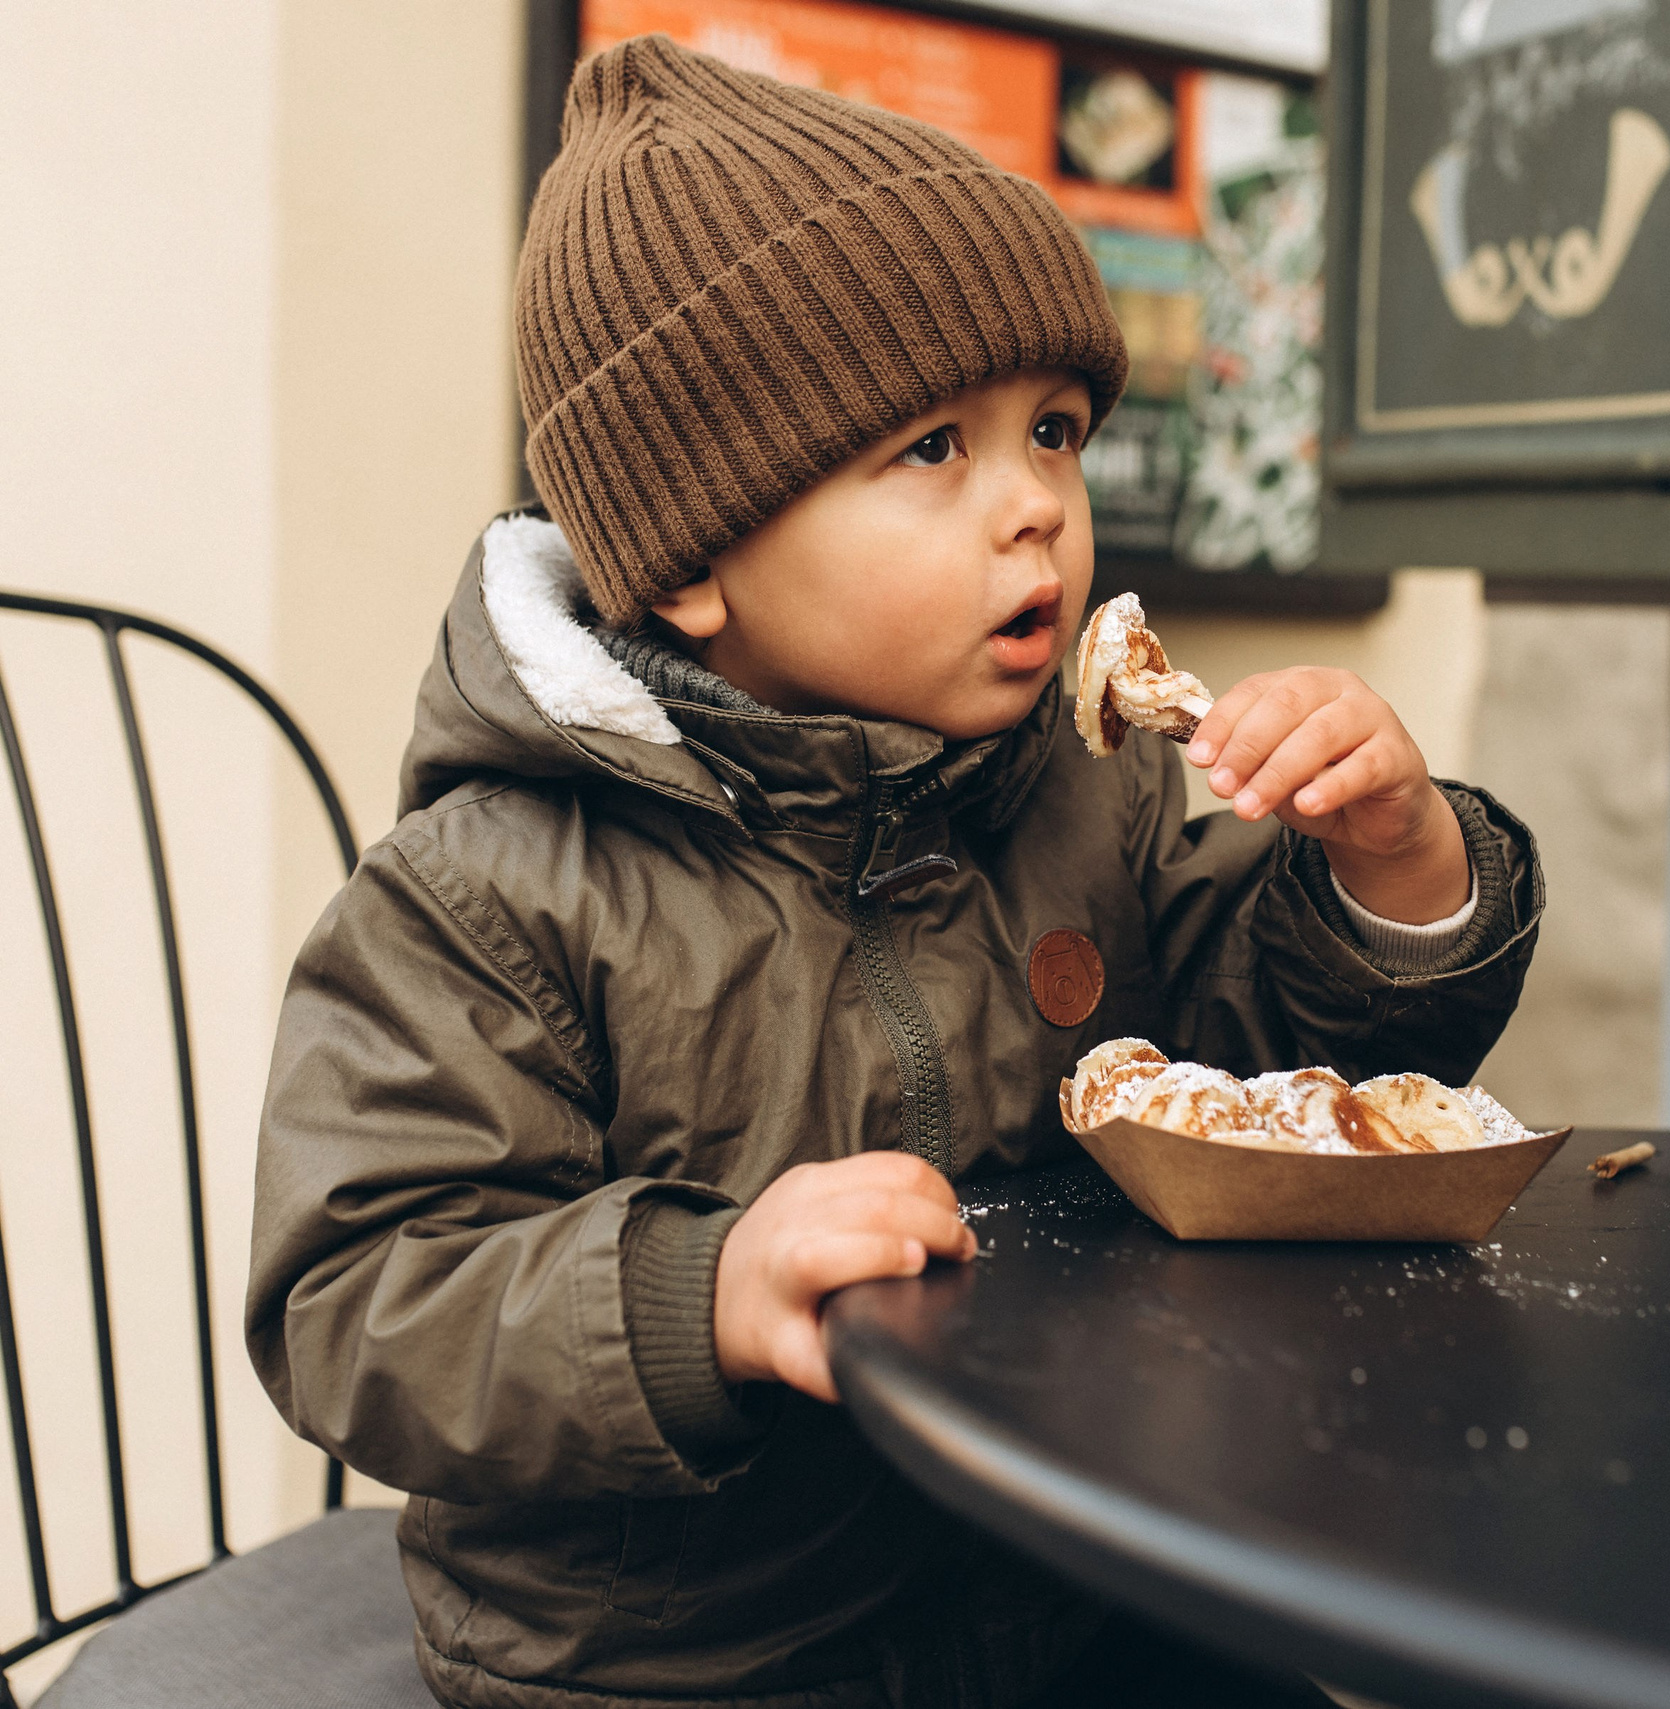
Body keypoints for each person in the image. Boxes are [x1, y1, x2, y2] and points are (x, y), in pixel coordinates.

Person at [247, 34, 1540, 1709]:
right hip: (694, 1659)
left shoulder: (1098, 787)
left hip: (1067, 1581)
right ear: (694, 556)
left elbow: (1291, 1084)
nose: (1037, 509)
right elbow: (357, 1290)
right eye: (934, 448)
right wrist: (701, 1293)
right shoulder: (494, 890)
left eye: (1055, 431)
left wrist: (1393, 864)